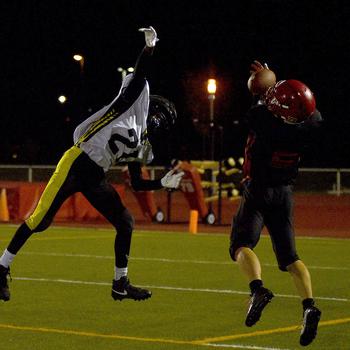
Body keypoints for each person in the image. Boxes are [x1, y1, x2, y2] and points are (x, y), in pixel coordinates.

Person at [0, 26, 184, 303]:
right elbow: (140, 73)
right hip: (77, 162)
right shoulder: (127, 104)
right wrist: (149, 48)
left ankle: (120, 282)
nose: (160, 123)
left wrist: (161, 183)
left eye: (165, 122)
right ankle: (2, 267)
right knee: (40, 220)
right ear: (151, 108)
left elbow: (135, 183)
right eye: (160, 117)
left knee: (125, 221)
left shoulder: (141, 142)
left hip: (95, 175)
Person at [229, 61, 322, 346]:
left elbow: (261, 100)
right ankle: (309, 305)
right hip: (284, 193)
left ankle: (257, 288)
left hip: (258, 190)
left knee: (241, 246)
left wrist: (266, 81)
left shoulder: (260, 119)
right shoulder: (311, 124)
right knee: (291, 258)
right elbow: (298, 109)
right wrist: (279, 87)